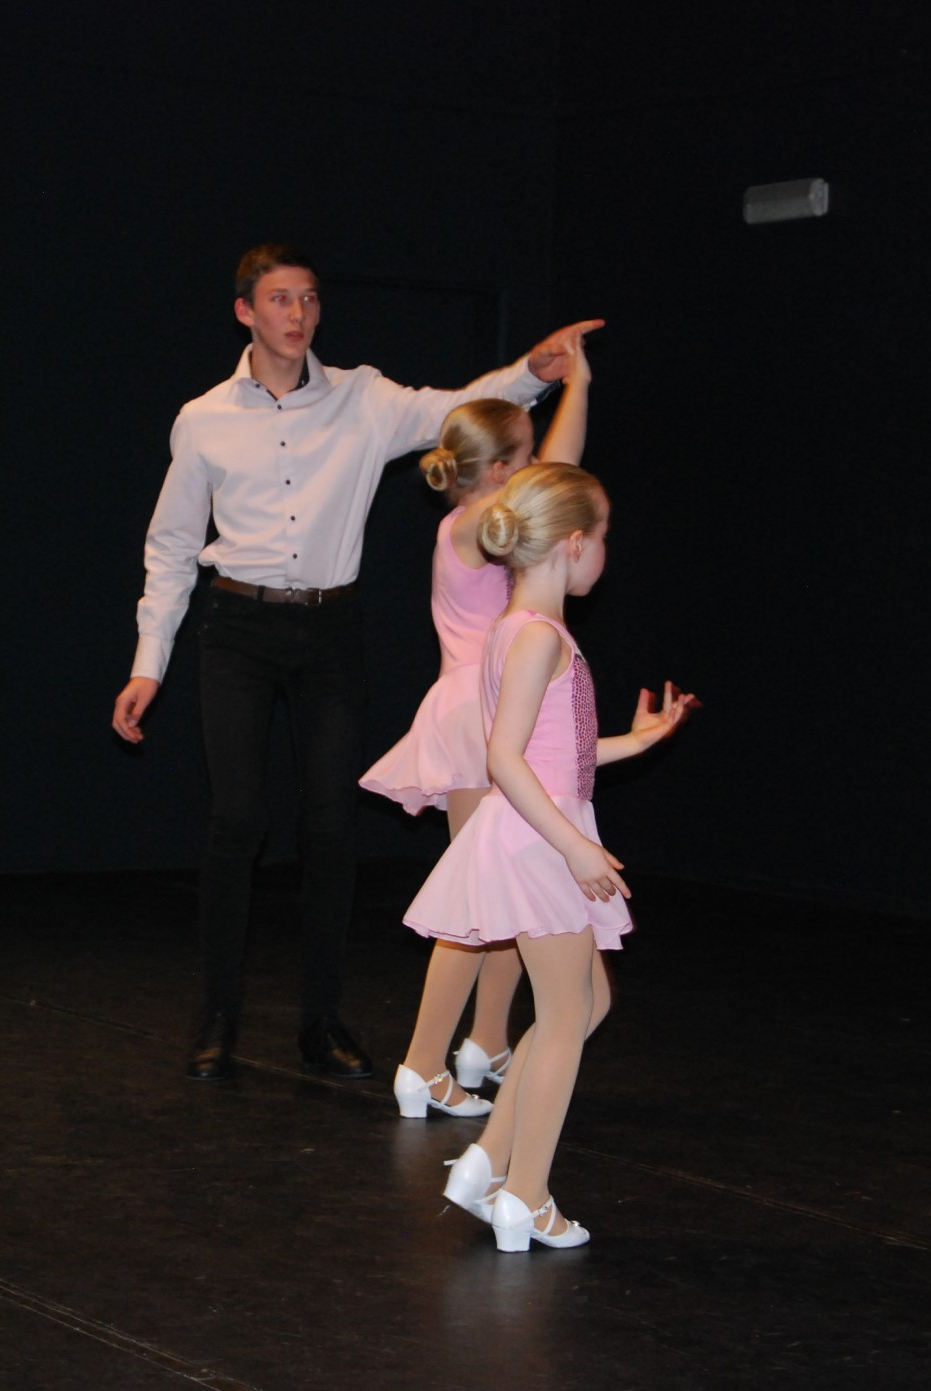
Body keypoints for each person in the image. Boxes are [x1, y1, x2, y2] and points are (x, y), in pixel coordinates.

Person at [111, 242, 601, 1082]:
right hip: (237, 626)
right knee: (238, 822)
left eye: (308, 298)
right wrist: (147, 662)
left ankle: (321, 1021)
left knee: (331, 826)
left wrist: (535, 371)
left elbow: (460, 409)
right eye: (278, 299)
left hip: (329, 629)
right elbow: (171, 544)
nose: (296, 314)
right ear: (245, 312)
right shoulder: (203, 418)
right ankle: (217, 1017)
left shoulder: (363, 398)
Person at [403, 463, 696, 1250]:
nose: (605, 551)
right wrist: (575, 847)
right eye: (603, 535)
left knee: (586, 1005)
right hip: (541, 841)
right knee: (567, 1016)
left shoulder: (518, 630)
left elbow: (554, 754)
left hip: (538, 830)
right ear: (572, 544)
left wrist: (639, 740)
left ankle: (489, 1158)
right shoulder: (536, 637)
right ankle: (524, 1197)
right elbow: (504, 759)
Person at [362, 336, 593, 1119]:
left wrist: (575, 385)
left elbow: (557, 475)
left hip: (485, 704)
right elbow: (563, 478)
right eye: (524, 458)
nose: (535, 468)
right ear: (497, 474)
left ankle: (485, 1041)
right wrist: (578, 386)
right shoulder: (474, 526)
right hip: (476, 715)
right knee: (473, 903)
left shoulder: (475, 521)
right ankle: (425, 1064)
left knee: (511, 896)